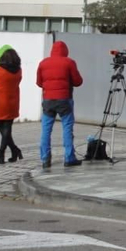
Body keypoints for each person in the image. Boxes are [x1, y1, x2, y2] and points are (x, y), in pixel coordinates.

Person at [36, 39, 83, 169]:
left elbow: (39, 83)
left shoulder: (43, 63)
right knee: (67, 128)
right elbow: (78, 81)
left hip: (48, 101)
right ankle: (69, 158)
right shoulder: (69, 62)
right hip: (64, 100)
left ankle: (45, 159)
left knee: (46, 130)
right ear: (65, 51)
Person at [0, 47, 24, 164]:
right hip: (12, 103)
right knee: (7, 130)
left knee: (3, 131)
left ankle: (1, 152)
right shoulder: (19, 71)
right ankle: (14, 150)